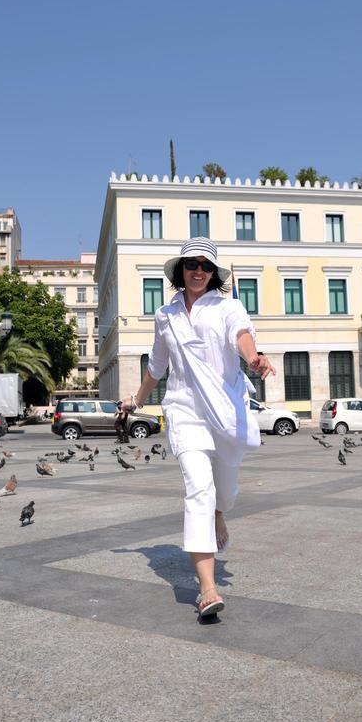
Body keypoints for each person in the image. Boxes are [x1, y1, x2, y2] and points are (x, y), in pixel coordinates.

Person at [121, 236, 274, 618]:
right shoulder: (165, 315)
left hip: (224, 412)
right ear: (180, 270)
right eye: (192, 265)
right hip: (184, 410)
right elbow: (157, 367)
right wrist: (137, 400)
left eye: (206, 266)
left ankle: (220, 513)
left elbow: (241, 336)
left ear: (214, 273)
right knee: (198, 491)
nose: (199, 272)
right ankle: (206, 588)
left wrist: (253, 358)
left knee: (226, 492)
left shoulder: (228, 306)